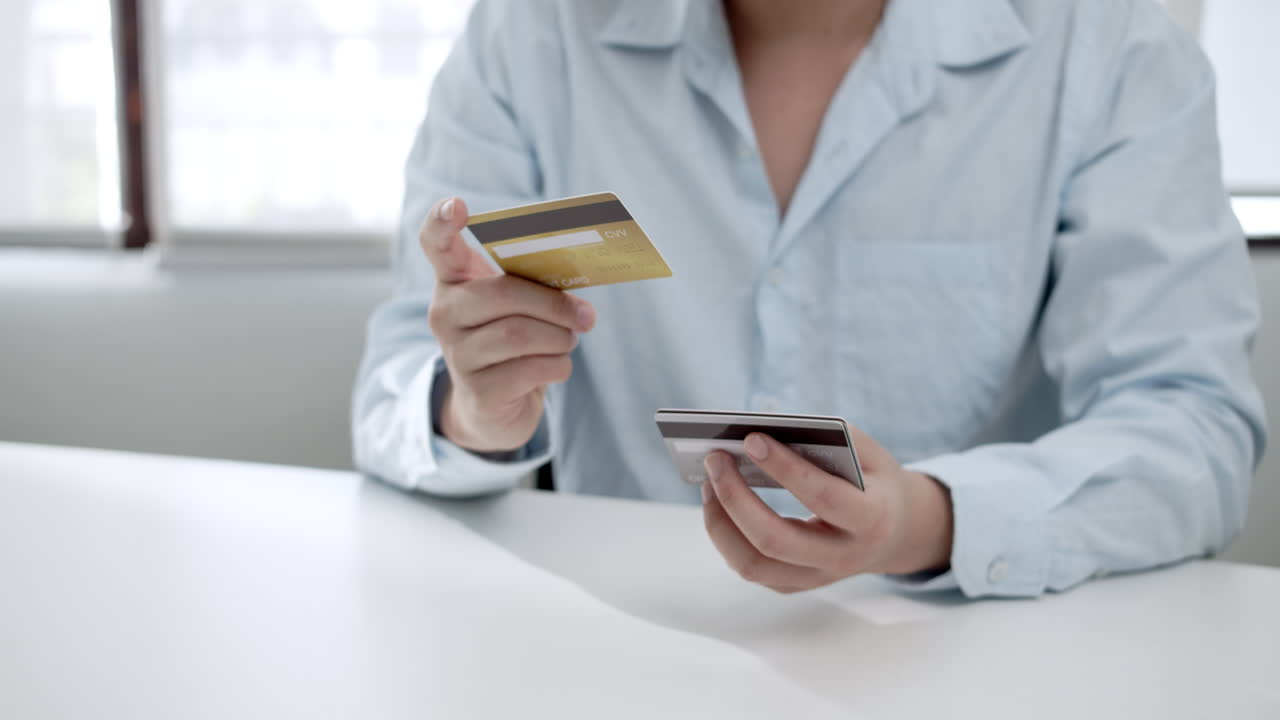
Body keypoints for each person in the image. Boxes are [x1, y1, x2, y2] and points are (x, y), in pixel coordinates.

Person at [352, 0, 1267, 598]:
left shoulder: (1112, 54)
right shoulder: (533, 34)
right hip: (626, 641)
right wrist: (470, 404)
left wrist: (929, 521)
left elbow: (1194, 428)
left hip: (970, 653)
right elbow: (394, 389)